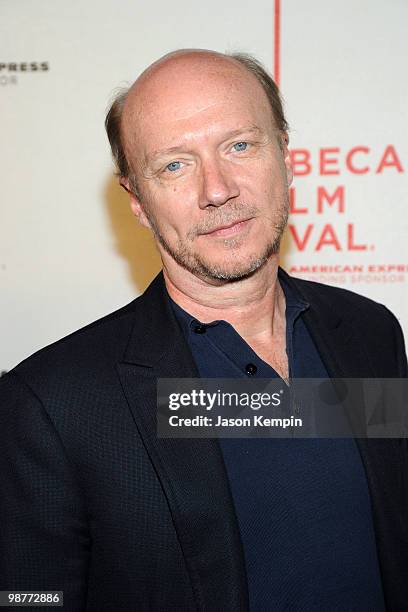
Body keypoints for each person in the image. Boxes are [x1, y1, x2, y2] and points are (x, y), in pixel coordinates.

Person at [0, 49, 407, 612]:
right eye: (175, 165)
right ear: (138, 201)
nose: (218, 189)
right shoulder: (53, 402)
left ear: (285, 155)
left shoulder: (371, 333)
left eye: (240, 146)